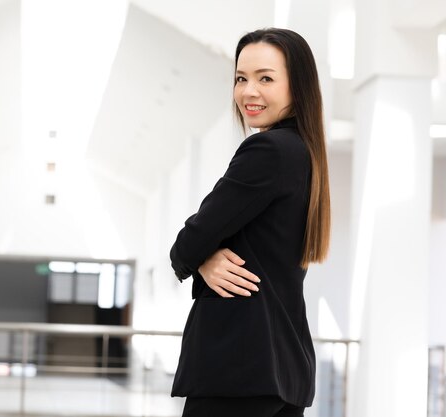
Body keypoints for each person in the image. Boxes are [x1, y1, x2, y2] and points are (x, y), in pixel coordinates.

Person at [169, 28, 331, 417]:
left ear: (298, 85)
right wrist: (204, 257)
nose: (248, 92)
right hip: (281, 368)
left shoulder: (268, 150)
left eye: (266, 78)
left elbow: (188, 243)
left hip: (240, 367)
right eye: (241, 78)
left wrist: (198, 256)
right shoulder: (304, 153)